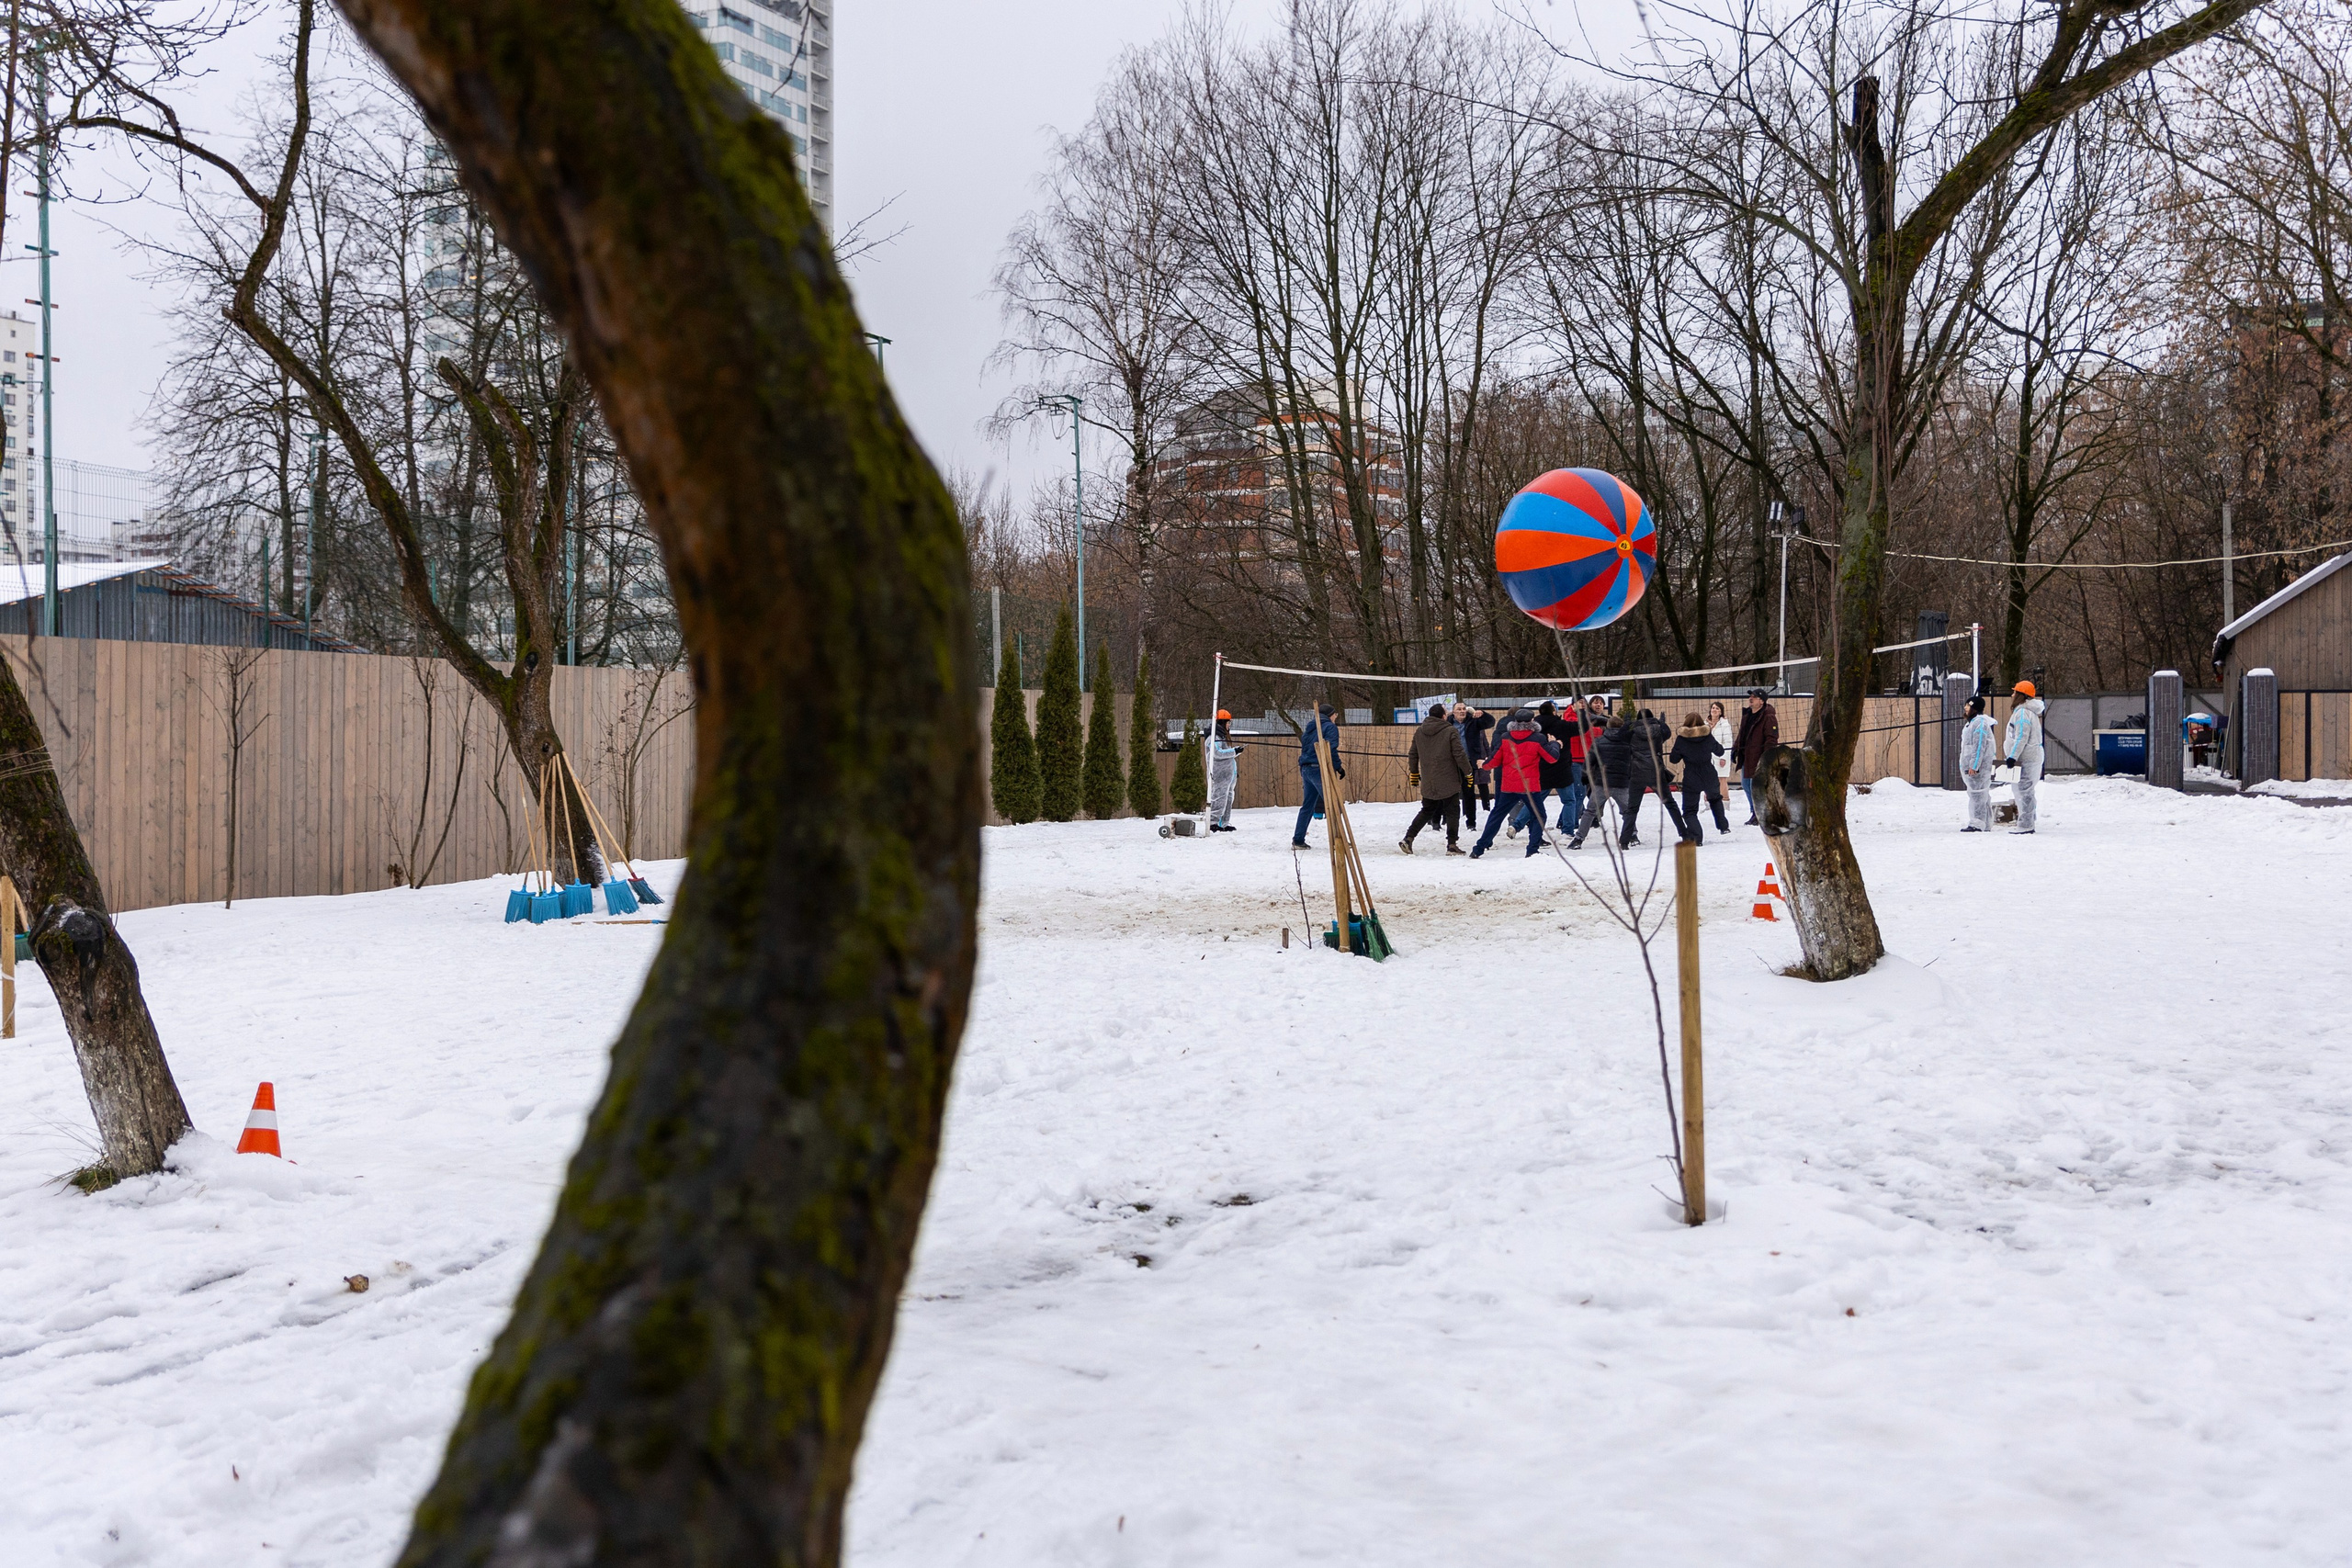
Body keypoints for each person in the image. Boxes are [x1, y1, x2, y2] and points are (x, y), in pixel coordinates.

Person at [1575, 702, 1687, 849]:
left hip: (1630, 776)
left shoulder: (1628, 735)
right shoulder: (1658, 732)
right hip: (1651, 774)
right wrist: (1661, 723)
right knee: (1668, 805)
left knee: (1627, 809)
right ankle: (1683, 833)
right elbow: (1667, 733)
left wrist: (1628, 723)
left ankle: (1621, 841)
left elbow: (1619, 738)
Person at [1468, 708, 1559, 858]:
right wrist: (1555, 744)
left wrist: (1484, 765)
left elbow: (1495, 759)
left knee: (1497, 815)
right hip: (1529, 786)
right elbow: (1552, 758)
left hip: (1509, 785)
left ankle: (1479, 848)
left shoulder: (1506, 737)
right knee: (1539, 816)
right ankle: (1532, 850)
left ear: (1515, 721)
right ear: (1532, 722)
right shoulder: (1538, 738)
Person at [1401, 704, 1473, 854]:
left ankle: (1408, 838)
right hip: (1449, 779)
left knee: (1427, 810)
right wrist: (1468, 772)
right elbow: (1459, 754)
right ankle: (1452, 845)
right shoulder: (1449, 730)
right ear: (1443, 716)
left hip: (1429, 780)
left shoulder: (1420, 731)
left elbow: (1413, 754)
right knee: (1452, 811)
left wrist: (1414, 773)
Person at [1670, 711, 1732, 843]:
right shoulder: (1707, 736)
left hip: (1691, 776)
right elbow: (1720, 751)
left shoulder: (1682, 739)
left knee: (1689, 811)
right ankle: (1723, 826)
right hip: (1709, 773)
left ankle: (1697, 838)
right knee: (1715, 799)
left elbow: (1673, 759)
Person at [1293, 703, 1343, 849]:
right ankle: (1338, 840)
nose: (1336, 717)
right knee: (1334, 804)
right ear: (1330, 715)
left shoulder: (1310, 728)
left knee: (1308, 806)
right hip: (1319, 769)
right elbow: (1330, 749)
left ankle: (1298, 840)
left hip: (1306, 768)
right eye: (1335, 714)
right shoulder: (1330, 727)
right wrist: (1338, 766)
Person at [2000, 680, 2045, 834]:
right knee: (2025, 791)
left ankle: (2026, 824)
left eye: (2015, 692)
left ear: (2021, 695)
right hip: (2029, 758)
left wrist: (2012, 756)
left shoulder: (2022, 714)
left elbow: (2021, 737)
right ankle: (2028, 820)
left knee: (2024, 791)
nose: (2012, 695)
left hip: (2025, 759)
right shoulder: (2027, 712)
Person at [1733, 688, 1779, 824]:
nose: (1750, 699)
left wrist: (1766, 757)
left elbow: (1772, 739)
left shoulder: (1768, 716)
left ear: (1762, 701)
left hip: (1758, 757)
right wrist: (1735, 749)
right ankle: (1754, 812)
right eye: (1750, 696)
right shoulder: (1747, 715)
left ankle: (1761, 814)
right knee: (1746, 785)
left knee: (1757, 787)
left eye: (1754, 697)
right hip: (1747, 756)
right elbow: (1742, 734)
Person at [1958, 694, 1996, 832]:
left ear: (1974, 707)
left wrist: (1974, 765)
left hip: (1977, 769)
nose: (1965, 707)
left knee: (1977, 795)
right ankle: (1985, 823)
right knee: (1980, 795)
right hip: (1973, 767)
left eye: (1968, 705)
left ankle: (1977, 823)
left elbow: (1979, 745)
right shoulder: (1973, 723)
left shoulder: (1980, 723)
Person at [1457, 704, 1495, 829]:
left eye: (1464, 709)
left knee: (1470, 791)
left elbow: (1490, 722)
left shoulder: (1474, 722)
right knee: (1449, 792)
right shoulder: (1449, 723)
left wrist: (1483, 713)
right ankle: (1441, 820)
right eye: (1459, 709)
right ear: (1453, 712)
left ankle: (1471, 822)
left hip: (1470, 763)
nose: (1462, 711)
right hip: (1452, 763)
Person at [1209, 711, 1242, 832]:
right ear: (1222, 722)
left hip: (1229, 774)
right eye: (1228, 722)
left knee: (1228, 797)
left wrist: (1235, 751)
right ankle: (1213, 822)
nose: (1229, 725)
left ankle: (1223, 823)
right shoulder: (1213, 736)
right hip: (1220, 773)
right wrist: (1235, 751)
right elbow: (1217, 753)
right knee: (1219, 797)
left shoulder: (1222, 735)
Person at [1708, 701, 1736, 801]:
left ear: (1720, 712)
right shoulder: (1705, 724)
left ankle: (1725, 803)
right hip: (1708, 757)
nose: (1714, 710)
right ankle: (1708, 804)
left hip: (1721, 755)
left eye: (1717, 708)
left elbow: (1728, 742)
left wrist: (1723, 757)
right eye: (1713, 708)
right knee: (1708, 780)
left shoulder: (1725, 724)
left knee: (1721, 779)